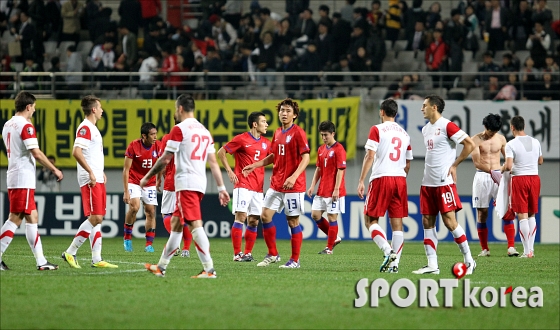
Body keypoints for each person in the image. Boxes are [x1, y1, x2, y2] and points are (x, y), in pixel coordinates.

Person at [142, 94, 230, 278]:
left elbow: (165, 158)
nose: (176, 112)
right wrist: (221, 188)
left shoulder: (179, 129)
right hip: (199, 184)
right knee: (176, 225)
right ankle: (161, 266)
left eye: (176, 108)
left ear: (180, 108)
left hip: (186, 184)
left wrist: (147, 177)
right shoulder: (205, 131)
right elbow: (213, 163)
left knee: (196, 226)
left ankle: (209, 269)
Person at [242, 98, 310, 269]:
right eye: (282, 110)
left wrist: (294, 177)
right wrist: (256, 164)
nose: (284, 113)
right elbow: (274, 155)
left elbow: (306, 157)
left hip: (293, 185)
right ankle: (273, 253)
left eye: (288, 111)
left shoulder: (298, 133)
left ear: (294, 115)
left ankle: (295, 260)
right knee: (264, 215)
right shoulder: (278, 132)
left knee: (292, 221)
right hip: (276, 183)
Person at [413, 94, 476, 275]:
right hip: (428, 182)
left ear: (434, 107)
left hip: (443, 182)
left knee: (450, 222)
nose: (421, 108)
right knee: (427, 221)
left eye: (424, 105)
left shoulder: (447, 125)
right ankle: (432, 265)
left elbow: (469, 144)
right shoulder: (426, 130)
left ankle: (469, 260)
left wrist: (455, 165)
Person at [0, 91, 63, 271]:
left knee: (32, 216)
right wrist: (54, 169)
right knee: (15, 219)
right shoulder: (25, 125)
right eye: (34, 107)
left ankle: (41, 261)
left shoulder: (7, 124)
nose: (34, 111)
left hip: (15, 175)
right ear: (28, 107)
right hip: (23, 177)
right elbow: (35, 152)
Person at [61, 95, 118, 269]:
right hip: (90, 179)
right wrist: (91, 172)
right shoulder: (85, 128)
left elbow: (91, 154)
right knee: (96, 217)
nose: (102, 110)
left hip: (97, 177)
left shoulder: (92, 128)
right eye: (100, 107)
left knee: (97, 219)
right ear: (93, 109)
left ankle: (96, 258)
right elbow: (76, 152)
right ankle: (70, 252)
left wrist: (99, 172)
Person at [357, 99, 412, 273]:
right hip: (400, 179)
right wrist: (400, 178)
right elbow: (408, 163)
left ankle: (388, 251)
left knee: (370, 220)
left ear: (381, 112)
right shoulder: (405, 134)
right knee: (397, 224)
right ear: (395, 114)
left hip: (382, 178)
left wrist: (361, 180)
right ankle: (394, 266)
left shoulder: (377, 129)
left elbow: (370, 155)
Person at [217, 112, 272, 262]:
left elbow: (274, 159)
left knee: (254, 220)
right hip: (243, 184)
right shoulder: (241, 139)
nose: (267, 124)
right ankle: (237, 254)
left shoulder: (267, 143)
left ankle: (247, 253)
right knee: (241, 216)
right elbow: (221, 152)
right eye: (264, 121)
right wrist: (229, 171)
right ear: (255, 124)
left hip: (258, 187)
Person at [471, 114, 519, 257]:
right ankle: (484, 249)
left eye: (495, 131)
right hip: (482, 176)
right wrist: (491, 171)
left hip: (499, 176)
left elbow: (508, 157)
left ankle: (511, 247)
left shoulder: (501, 139)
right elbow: (477, 162)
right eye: (491, 131)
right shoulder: (475, 140)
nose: (493, 134)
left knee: (506, 210)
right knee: (482, 213)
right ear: (485, 127)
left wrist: (506, 170)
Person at [502, 116, 543, 258]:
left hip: (520, 179)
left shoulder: (511, 144)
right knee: (532, 214)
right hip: (535, 178)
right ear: (523, 126)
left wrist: (501, 170)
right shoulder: (536, 141)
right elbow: (541, 161)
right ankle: (531, 250)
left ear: (512, 127)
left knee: (522, 215)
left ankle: (526, 252)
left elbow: (508, 166)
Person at [122, 122, 162, 253]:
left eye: (156, 133)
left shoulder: (158, 146)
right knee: (135, 207)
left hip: (149, 183)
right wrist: (126, 191)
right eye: (152, 134)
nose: (155, 137)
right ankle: (127, 238)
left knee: (150, 211)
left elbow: (162, 164)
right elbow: (126, 169)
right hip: (134, 181)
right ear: (144, 136)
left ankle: (148, 244)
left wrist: (158, 179)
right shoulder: (134, 146)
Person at [306, 120, 345, 255]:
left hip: (334, 190)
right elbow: (318, 169)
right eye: (322, 135)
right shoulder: (321, 149)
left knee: (332, 217)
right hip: (322, 189)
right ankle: (335, 237)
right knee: (315, 215)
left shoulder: (339, 149)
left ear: (333, 133)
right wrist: (312, 186)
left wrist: (336, 189)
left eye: (326, 135)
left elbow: (341, 170)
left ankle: (329, 248)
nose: (323, 138)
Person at [160, 126, 193, 258]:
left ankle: (175, 243)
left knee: (166, 213)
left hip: (172, 180)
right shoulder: (194, 138)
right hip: (190, 182)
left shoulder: (168, 138)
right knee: (186, 217)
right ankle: (186, 249)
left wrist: (159, 178)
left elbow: (163, 160)